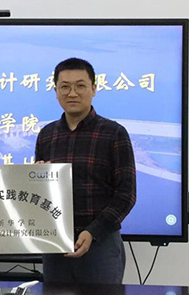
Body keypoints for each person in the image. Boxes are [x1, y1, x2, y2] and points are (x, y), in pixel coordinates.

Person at [35, 57, 136, 284]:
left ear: (94, 89)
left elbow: (126, 194)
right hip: (56, 246)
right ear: (56, 91)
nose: (72, 93)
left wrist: (93, 231)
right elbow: (39, 196)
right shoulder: (47, 135)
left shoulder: (114, 133)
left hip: (100, 244)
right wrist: (36, 179)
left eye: (80, 86)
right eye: (65, 87)